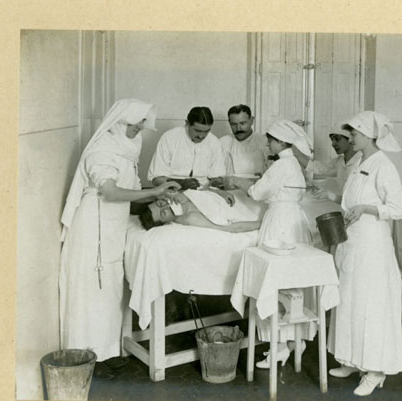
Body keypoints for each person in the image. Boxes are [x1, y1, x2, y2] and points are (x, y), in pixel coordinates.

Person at [59, 99, 180, 379]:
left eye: (142, 125)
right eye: (136, 124)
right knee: (90, 293)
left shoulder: (128, 149)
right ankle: (86, 355)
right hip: (93, 226)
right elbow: (111, 192)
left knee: (110, 292)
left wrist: (159, 193)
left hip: (114, 226)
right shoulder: (101, 150)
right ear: (120, 122)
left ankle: (106, 351)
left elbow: (132, 189)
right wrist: (156, 191)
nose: (140, 129)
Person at [327, 111, 402, 397]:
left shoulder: (384, 165)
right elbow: (354, 200)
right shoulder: (361, 161)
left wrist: (367, 210)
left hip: (373, 247)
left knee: (371, 307)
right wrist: (332, 197)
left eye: (355, 134)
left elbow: (398, 209)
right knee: (349, 301)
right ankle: (351, 360)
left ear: (370, 136)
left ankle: (374, 370)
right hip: (353, 243)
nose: (350, 138)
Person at [232, 119, 314, 369]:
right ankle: (292, 341)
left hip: (279, 222)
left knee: (277, 284)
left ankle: (280, 345)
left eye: (270, 140)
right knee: (293, 284)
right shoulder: (291, 164)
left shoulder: (282, 165)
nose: (267, 143)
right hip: (294, 221)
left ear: (280, 142)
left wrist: (239, 183)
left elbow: (257, 193)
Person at [147, 106, 225, 190]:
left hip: (204, 192)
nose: (201, 136)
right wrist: (181, 183)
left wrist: (216, 183)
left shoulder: (214, 142)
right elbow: (156, 179)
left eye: (206, 131)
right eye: (197, 131)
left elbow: (217, 176)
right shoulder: (169, 137)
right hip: (172, 191)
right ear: (187, 123)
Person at [138, 188, 261, 233]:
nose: (167, 206)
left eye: (160, 203)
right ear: (165, 222)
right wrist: (261, 224)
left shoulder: (179, 196)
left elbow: (204, 190)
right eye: (163, 213)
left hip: (239, 196)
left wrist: (220, 191)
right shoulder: (190, 218)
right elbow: (229, 228)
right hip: (243, 210)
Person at [306, 125, 362, 201]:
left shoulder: (362, 161)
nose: (333, 144)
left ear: (350, 139)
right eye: (332, 140)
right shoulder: (339, 161)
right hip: (342, 205)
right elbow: (320, 168)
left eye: (337, 139)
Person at [219, 104, 270, 176]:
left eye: (242, 123)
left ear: (251, 120)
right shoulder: (222, 142)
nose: (238, 128)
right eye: (233, 124)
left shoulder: (264, 141)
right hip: (229, 187)